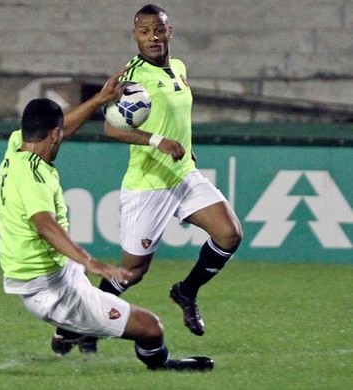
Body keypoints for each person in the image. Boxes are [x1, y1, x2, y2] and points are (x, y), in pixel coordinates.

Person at [55, 4, 244, 353]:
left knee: (229, 233)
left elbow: (176, 117)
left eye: (159, 30)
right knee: (132, 272)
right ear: (135, 36)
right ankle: (78, 324)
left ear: (170, 32)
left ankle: (186, 291)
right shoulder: (132, 76)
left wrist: (184, 146)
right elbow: (112, 127)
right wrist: (158, 141)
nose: (153, 37)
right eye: (145, 31)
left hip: (183, 174)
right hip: (149, 184)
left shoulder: (179, 67)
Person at [0, 84, 214, 370]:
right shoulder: (34, 176)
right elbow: (44, 225)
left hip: (58, 272)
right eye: (60, 132)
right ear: (54, 135)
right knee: (150, 328)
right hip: (50, 289)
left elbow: (64, 126)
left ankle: (73, 330)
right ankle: (161, 366)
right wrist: (92, 263)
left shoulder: (17, 147)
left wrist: (99, 99)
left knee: (114, 313)